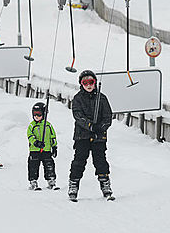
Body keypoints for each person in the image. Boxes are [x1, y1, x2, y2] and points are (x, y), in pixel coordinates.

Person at [69, 70, 114, 201]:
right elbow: (78, 116)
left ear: (95, 83)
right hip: (82, 136)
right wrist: (90, 126)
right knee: (79, 161)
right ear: (81, 84)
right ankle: (73, 185)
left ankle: (105, 184)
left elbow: (108, 116)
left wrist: (101, 128)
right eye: (85, 83)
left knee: (100, 161)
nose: (88, 85)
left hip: (99, 137)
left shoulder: (102, 98)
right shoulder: (78, 98)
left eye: (91, 82)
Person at [27, 102, 58, 190]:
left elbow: (53, 137)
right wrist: (36, 142)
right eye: (34, 114)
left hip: (46, 150)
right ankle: (33, 181)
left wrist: (54, 147)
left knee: (49, 165)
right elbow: (30, 136)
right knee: (33, 166)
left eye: (39, 114)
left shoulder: (48, 125)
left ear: (44, 114)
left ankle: (51, 180)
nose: (36, 116)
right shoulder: (32, 126)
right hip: (35, 150)